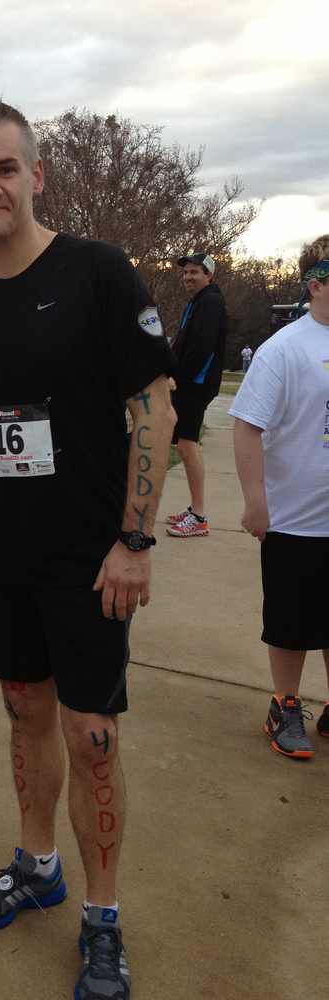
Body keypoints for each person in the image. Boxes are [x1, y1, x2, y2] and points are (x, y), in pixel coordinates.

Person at [0, 96, 176, 1000]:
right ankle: (36, 867)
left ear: (35, 175)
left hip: (90, 557)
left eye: (5, 168)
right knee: (23, 713)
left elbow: (153, 407)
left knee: (93, 736)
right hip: (3, 559)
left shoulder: (98, 272)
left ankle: (102, 918)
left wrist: (135, 540)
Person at [230, 234, 329, 759]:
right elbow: (247, 427)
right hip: (295, 518)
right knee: (291, 621)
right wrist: (256, 501)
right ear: (316, 284)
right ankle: (284, 706)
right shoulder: (284, 349)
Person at [165, 252, 228, 538]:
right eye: (185, 272)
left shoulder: (211, 302)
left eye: (194, 272)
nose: (188, 277)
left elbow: (203, 348)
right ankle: (194, 509)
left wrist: (179, 378)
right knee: (184, 446)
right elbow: (184, 344)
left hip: (195, 385)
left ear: (208, 275)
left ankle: (199, 517)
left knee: (187, 446)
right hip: (189, 383)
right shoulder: (198, 301)